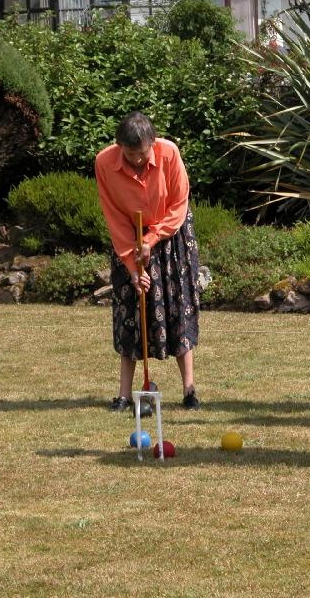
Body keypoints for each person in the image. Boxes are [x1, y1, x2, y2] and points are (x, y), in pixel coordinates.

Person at [95, 111, 201, 412]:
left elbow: (179, 205)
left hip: (170, 235)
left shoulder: (169, 154)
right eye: (130, 154)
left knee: (178, 308)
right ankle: (125, 394)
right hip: (127, 237)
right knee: (130, 312)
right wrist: (132, 266)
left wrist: (151, 239)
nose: (137, 160)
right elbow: (114, 217)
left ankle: (189, 390)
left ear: (152, 144)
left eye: (142, 154)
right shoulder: (105, 163)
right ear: (119, 147)